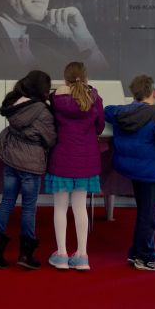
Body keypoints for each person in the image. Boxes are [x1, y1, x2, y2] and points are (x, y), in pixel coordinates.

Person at [0, 70, 57, 270]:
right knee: (29, 208)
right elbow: (51, 139)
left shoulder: (14, 104)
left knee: (6, 202)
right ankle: (26, 254)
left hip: (11, 161)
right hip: (31, 164)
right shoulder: (42, 110)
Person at [104, 74, 155, 272]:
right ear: (154, 92)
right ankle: (146, 257)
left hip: (131, 169)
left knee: (144, 212)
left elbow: (107, 111)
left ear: (133, 93)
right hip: (150, 171)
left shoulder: (120, 112)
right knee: (149, 215)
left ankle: (136, 252)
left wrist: (127, 106)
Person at [45, 62, 104, 271]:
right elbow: (100, 127)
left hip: (61, 158)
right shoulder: (94, 98)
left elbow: (49, 124)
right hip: (86, 160)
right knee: (80, 207)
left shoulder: (54, 98)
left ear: (65, 77)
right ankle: (82, 255)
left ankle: (61, 254)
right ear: (85, 77)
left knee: (60, 207)